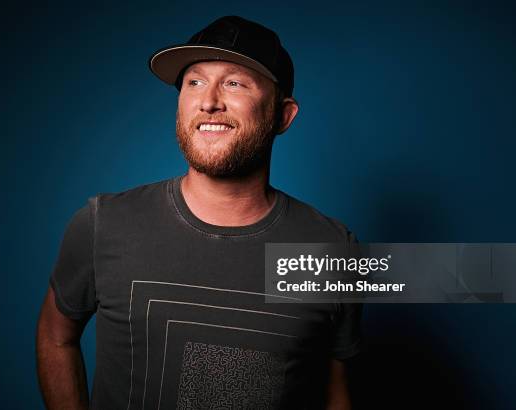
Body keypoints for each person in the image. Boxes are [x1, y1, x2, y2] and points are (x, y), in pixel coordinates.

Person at [36, 15, 362, 410]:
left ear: (282, 115)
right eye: (194, 82)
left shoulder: (331, 250)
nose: (209, 101)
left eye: (234, 82)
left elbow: (335, 390)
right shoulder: (103, 223)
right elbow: (56, 336)